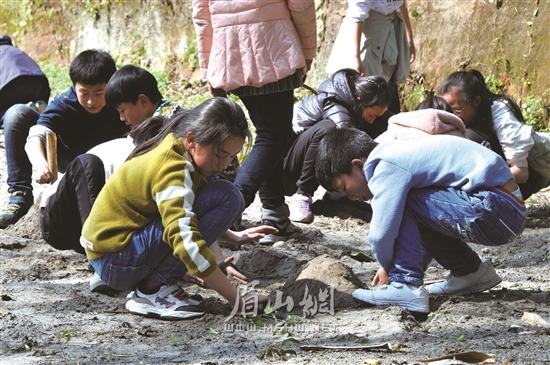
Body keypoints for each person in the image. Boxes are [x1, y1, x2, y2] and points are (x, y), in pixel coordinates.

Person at [81, 98, 265, 319]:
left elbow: (185, 208)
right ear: (191, 140)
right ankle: (151, 291)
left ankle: (148, 279)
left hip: (108, 256)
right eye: (220, 154)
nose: (224, 164)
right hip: (116, 261)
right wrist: (237, 300)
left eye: (231, 157)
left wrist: (230, 236)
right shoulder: (174, 170)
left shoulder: (175, 147)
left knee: (223, 194)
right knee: (227, 197)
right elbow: (185, 239)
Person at [315, 128, 527, 313]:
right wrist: (400, 261)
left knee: (403, 201)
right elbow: (420, 231)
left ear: (358, 165)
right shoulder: (396, 152)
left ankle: (404, 286)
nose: (351, 197)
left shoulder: (384, 165)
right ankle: (470, 272)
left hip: (495, 207)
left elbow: (382, 231)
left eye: (344, 188)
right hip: (505, 209)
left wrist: (388, 266)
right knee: (409, 199)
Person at [192, 0, 317, 244]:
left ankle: (274, 213)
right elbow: (301, 6)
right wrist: (307, 51)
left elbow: (202, 16)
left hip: (230, 53)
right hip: (274, 47)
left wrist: (208, 66)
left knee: (269, 135)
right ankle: (229, 212)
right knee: (274, 137)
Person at [0, 49, 128, 229]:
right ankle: (19, 195)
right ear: (74, 86)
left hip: (113, 164)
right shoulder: (66, 102)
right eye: (84, 93)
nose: (91, 101)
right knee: (16, 114)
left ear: (111, 84)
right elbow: (37, 133)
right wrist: (40, 165)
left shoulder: (122, 99)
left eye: (99, 93)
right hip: (72, 161)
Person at [285, 68, 390, 223]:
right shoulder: (335, 105)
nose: (372, 120)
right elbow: (345, 145)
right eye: (371, 115)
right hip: (289, 165)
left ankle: (337, 197)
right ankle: (302, 195)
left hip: (310, 161)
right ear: (360, 100)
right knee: (330, 132)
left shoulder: (354, 105)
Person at [440, 69, 550, 199]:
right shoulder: (469, 119)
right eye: (447, 111)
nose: (451, 116)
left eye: (456, 111)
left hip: (539, 167)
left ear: (476, 101)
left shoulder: (502, 118)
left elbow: (521, 173)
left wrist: (476, 181)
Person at [326, 0, 416, 113]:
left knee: (384, 89)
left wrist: (409, 38)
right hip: (364, 38)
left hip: (388, 35)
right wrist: (356, 57)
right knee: (362, 91)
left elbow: (402, 3)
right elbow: (357, 14)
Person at [105, 64, 182, 128]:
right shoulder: (169, 112)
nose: (121, 118)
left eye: (122, 111)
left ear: (143, 101)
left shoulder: (163, 127)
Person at [0, 34, 50, 126]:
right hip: (38, 80)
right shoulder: (15, 50)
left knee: (6, 112)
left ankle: (27, 108)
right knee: (27, 98)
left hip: (9, 84)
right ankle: (37, 104)